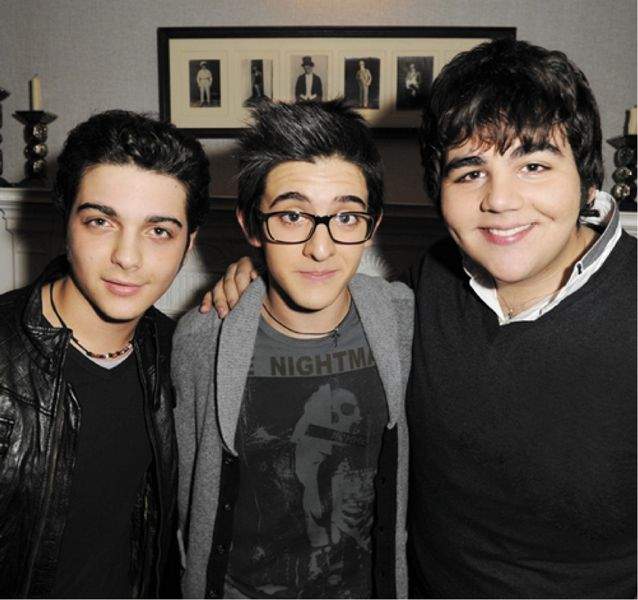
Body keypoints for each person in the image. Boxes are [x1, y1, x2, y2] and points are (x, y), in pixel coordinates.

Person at [208, 38, 637, 598]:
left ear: (586, 177)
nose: (500, 200)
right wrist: (263, 268)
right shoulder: (426, 285)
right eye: (470, 172)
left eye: (533, 165)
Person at [172, 100, 413, 599]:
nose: (320, 248)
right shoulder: (201, 342)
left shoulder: (403, 321)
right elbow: (183, 504)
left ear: (373, 225)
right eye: (291, 215)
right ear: (251, 225)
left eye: (346, 216)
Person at [0, 110, 211, 598]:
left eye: (159, 231)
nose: (127, 257)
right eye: (100, 221)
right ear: (66, 222)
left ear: (188, 244)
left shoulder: (180, 354)